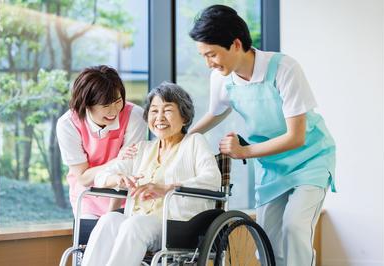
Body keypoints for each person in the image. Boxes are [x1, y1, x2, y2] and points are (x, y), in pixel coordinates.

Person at [188, 5, 336, 266]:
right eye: (204, 56)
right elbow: (216, 112)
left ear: (235, 44)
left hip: (310, 160)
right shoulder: (221, 79)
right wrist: (182, 139)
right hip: (272, 167)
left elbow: (296, 137)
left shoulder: (284, 68)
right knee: (266, 242)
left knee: (295, 229)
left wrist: (244, 151)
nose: (208, 63)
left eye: (212, 54)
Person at [81, 82, 221, 266]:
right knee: (110, 219)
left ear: (185, 117)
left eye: (168, 110)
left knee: (134, 225)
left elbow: (212, 179)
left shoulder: (195, 142)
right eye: (154, 111)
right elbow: (101, 176)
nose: (160, 117)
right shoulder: (142, 149)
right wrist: (118, 179)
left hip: (178, 224)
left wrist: (167, 188)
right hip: (139, 220)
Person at [56, 65, 147, 219]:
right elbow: (84, 178)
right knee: (89, 238)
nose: (114, 111)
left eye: (118, 101)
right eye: (105, 105)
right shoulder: (68, 125)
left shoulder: (135, 116)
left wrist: (110, 217)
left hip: (125, 195)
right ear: (86, 104)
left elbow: (126, 169)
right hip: (88, 197)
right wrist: (117, 160)